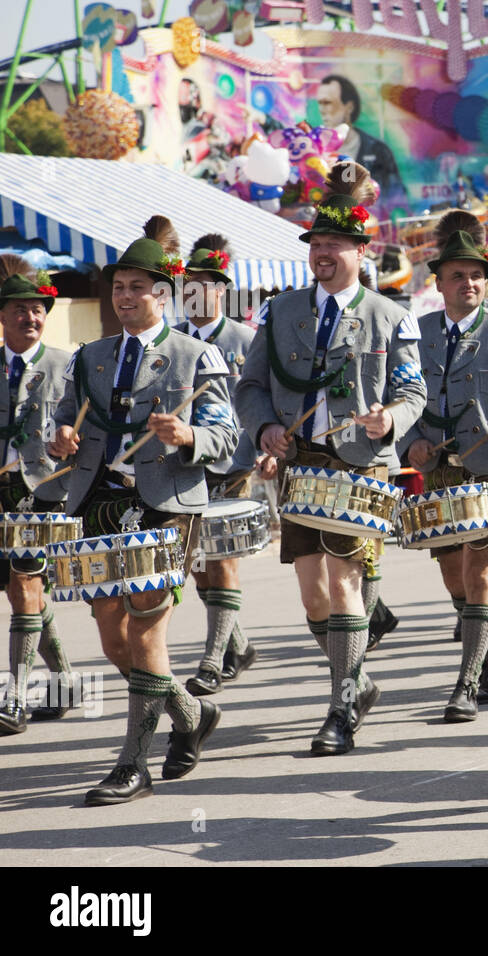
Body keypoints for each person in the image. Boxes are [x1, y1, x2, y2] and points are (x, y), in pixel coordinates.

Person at [235, 163, 426, 756]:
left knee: (344, 582)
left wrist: (390, 417)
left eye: (333, 245)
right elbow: (251, 384)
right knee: (312, 593)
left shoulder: (392, 316)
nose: (321, 253)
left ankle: (341, 707)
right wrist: (265, 426)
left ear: (360, 250)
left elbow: (414, 392)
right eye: (315, 244)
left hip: (358, 463)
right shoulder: (280, 311)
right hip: (300, 463)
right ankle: (358, 679)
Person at [49, 234, 238, 804]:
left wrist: (189, 436)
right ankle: (189, 712)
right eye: (118, 288)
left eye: (136, 288)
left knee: (147, 629)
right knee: (113, 638)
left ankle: (133, 765)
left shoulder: (195, 355)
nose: (124, 297)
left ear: (163, 293)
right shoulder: (91, 355)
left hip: (165, 506)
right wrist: (61, 438)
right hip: (99, 503)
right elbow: (62, 420)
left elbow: (226, 438)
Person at [399, 231, 488, 722]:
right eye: (458, 276)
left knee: (481, 569)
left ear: (487, 282)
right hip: (437, 470)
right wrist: (412, 443)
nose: (468, 283)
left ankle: (468, 683)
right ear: (440, 283)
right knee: (452, 571)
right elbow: (404, 396)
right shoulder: (417, 331)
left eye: (477, 275)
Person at [173, 236, 262, 697]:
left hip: (234, 465)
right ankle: (238, 644)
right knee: (197, 564)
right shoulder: (173, 341)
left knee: (221, 559)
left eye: (206, 286)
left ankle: (211, 662)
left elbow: (263, 400)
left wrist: (268, 442)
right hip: (186, 466)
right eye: (188, 286)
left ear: (222, 291)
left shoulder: (245, 341)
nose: (196, 294)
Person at [0, 271, 75, 735]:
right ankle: (65, 680)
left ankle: (15, 696)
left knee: (25, 588)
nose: (30, 317)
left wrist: (69, 440)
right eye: (20, 309)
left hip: (42, 494)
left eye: (38, 310)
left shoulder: (69, 366)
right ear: (2, 316)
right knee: (18, 590)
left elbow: (88, 432)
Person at [316, 74, 407, 211]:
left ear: (349, 107)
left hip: (369, 227)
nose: (322, 110)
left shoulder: (377, 150)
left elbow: (398, 202)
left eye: (327, 103)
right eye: (320, 103)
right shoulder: (312, 151)